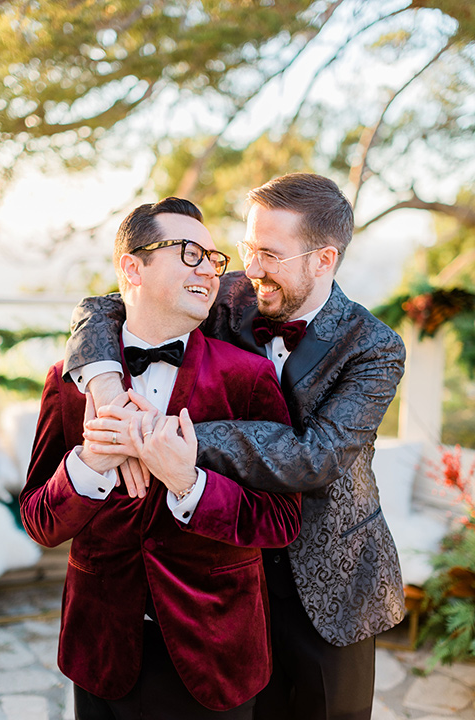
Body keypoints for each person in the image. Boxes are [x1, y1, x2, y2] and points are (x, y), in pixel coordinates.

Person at [62, 173, 406, 720]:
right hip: (227, 568)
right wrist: (107, 389)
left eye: (270, 253)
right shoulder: (226, 297)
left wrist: (172, 435)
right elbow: (103, 308)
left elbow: (315, 455)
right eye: (248, 248)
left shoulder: (375, 346)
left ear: (324, 259)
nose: (253, 268)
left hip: (330, 581)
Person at [20, 197, 302, 720]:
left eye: (215, 260)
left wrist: (189, 483)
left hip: (217, 653)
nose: (211, 272)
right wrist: (88, 466)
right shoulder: (70, 381)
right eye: (190, 253)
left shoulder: (250, 377)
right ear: (133, 266)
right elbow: (38, 520)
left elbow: (282, 520)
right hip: (102, 649)